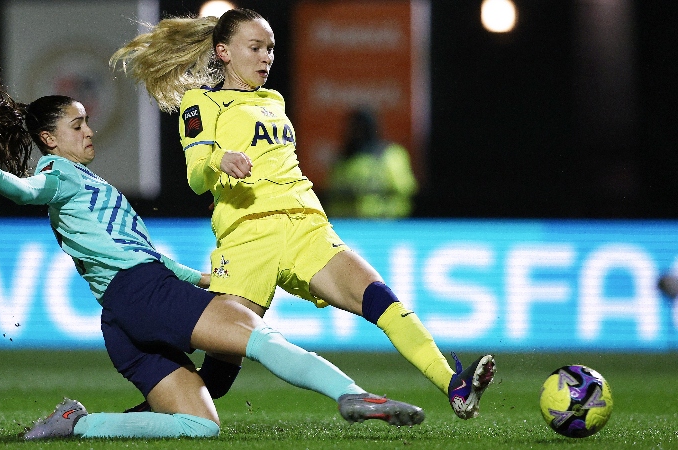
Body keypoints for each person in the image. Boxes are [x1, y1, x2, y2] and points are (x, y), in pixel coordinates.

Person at [0, 42, 425, 441]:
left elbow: (143, 254)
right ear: (48, 138)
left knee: (199, 425)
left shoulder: (84, 185)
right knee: (258, 338)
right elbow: (26, 191)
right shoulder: (56, 172)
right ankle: (352, 395)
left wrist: (199, 277)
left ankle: (78, 424)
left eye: (85, 122)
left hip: (122, 316)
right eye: (77, 124)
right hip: (142, 293)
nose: (88, 130)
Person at [111, 8, 494, 420]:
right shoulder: (201, 101)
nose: (266, 57)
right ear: (223, 52)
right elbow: (196, 176)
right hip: (247, 238)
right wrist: (220, 160)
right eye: (255, 47)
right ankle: (123, 419)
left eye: (271, 49)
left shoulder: (274, 100)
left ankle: (453, 385)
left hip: (306, 225)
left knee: (380, 298)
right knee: (219, 375)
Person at [325, 107, 418, 218]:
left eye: (362, 128)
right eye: (353, 128)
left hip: (386, 224)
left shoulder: (391, 155)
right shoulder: (341, 160)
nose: (357, 133)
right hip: (348, 225)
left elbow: (406, 190)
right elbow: (331, 195)